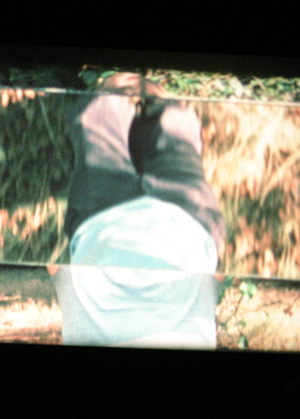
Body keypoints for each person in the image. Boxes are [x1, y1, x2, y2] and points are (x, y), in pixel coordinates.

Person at [49, 73, 226, 349]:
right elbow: (54, 270)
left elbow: (217, 277)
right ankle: (138, 95)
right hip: (122, 220)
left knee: (150, 122)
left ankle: (139, 95)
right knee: (109, 121)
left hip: (135, 220)